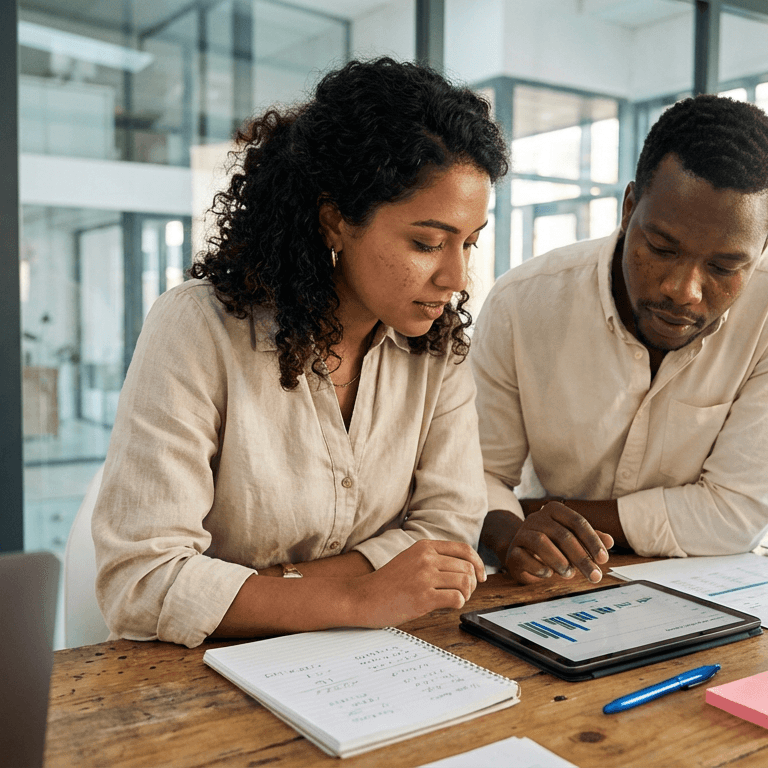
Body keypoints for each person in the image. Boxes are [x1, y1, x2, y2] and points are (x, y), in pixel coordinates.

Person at [94, 58, 508, 648]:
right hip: (205, 674)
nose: (458, 276)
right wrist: (355, 597)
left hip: (376, 659)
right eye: (427, 243)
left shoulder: (437, 350)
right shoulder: (200, 328)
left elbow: (447, 538)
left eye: (469, 242)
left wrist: (262, 587)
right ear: (335, 220)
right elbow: (140, 580)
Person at [474, 95, 768, 585]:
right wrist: (514, 532)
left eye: (725, 267)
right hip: (551, 583)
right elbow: (477, 474)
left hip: (707, 591)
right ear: (628, 207)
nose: (683, 290)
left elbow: (736, 516)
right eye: (661, 249)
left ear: (762, 248)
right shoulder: (522, 302)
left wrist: (540, 512)